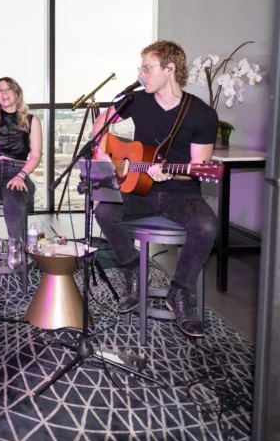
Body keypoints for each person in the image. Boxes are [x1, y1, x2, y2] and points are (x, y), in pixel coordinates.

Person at [92, 40, 218, 337]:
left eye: (147, 68)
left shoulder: (201, 114)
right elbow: (101, 122)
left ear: (169, 69)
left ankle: (179, 291)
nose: (141, 74)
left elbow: (198, 167)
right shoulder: (137, 100)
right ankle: (134, 271)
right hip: (139, 189)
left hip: (181, 192)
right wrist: (102, 151)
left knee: (206, 226)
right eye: (141, 68)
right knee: (104, 211)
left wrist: (169, 173)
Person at [0, 77, 43, 269]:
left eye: (8, 89)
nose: (3, 93)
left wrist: (21, 175)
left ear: (17, 93)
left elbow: (36, 155)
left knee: (13, 200)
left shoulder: (32, 120)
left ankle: (15, 245)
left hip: (18, 171)